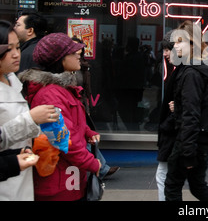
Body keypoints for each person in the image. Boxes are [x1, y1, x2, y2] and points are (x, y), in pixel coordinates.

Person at [19, 32, 101, 201]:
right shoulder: (51, 94)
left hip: (69, 178)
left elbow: (71, 122)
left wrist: (87, 131)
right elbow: (63, 139)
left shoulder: (61, 89)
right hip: (59, 183)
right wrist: (92, 162)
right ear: (60, 59)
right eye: (73, 53)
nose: (78, 55)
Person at [164, 21, 208, 201]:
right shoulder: (205, 67)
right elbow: (201, 105)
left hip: (191, 140)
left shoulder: (192, 72)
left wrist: (188, 152)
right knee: (198, 187)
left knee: (173, 186)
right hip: (202, 138)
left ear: (193, 44)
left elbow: (192, 114)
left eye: (179, 42)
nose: (175, 46)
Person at [0, 20, 57, 200]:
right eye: (9, 49)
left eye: (18, 47)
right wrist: (31, 119)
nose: (16, 54)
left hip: (20, 176)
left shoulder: (13, 80)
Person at [72, 37, 120, 179]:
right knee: (82, 138)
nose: (76, 53)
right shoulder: (67, 72)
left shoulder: (85, 65)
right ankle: (100, 167)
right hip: (75, 107)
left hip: (82, 105)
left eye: (78, 49)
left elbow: (89, 86)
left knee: (87, 136)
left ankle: (99, 166)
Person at [155, 31, 178, 200]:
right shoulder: (178, 71)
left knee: (163, 177)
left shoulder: (183, 73)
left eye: (168, 49)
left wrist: (165, 125)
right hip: (174, 134)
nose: (165, 53)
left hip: (174, 134)